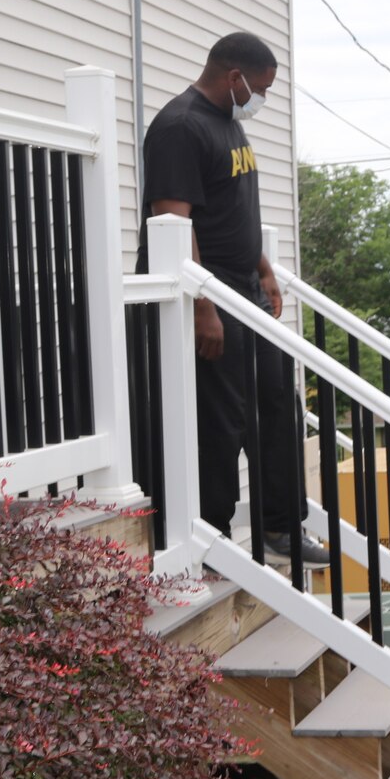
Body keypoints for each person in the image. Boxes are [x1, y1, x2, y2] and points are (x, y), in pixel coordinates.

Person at [135, 32, 326, 567]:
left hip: (243, 291)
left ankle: (282, 528)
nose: (261, 97)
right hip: (208, 296)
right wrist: (202, 305)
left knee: (277, 408)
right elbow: (172, 222)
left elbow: (233, 208)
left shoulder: (229, 124)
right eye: (259, 87)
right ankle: (212, 539)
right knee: (221, 423)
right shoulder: (180, 126)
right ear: (233, 76)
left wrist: (263, 268)